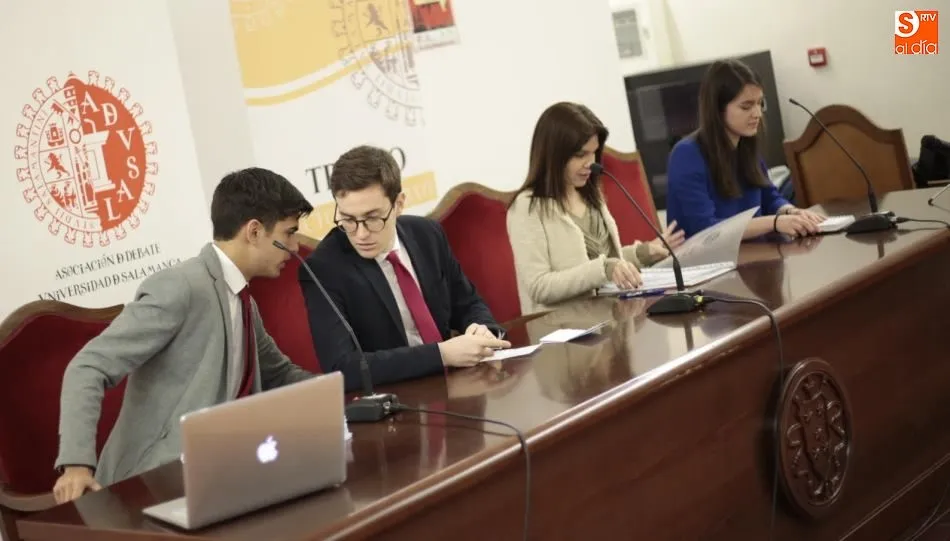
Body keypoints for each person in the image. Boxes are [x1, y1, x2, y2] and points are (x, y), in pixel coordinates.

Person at [53, 168, 316, 504]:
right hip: (150, 486)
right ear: (253, 231)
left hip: (220, 473)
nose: (295, 247)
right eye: (289, 233)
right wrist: (77, 465)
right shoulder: (180, 287)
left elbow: (279, 374)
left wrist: (345, 393)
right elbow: (88, 366)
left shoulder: (243, 300)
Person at [300, 145, 510, 392]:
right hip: (395, 397)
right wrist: (440, 355)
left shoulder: (427, 234)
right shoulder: (324, 269)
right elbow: (343, 367)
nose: (361, 233)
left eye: (372, 218)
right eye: (348, 219)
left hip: (458, 385)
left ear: (399, 203)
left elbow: (468, 302)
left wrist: (482, 328)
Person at [506, 102, 685, 314]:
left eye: (594, 152)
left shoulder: (589, 193)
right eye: (580, 155)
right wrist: (606, 268)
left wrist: (642, 253)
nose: (590, 163)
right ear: (553, 155)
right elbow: (539, 286)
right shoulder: (527, 207)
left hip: (611, 315)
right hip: (565, 327)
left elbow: (601, 262)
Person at [666, 59, 824, 239]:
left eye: (760, 103)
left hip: (755, 251)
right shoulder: (686, 154)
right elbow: (706, 229)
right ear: (717, 109)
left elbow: (769, 197)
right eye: (746, 106)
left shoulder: (745, 145)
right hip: (711, 255)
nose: (757, 114)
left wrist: (791, 212)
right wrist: (774, 222)